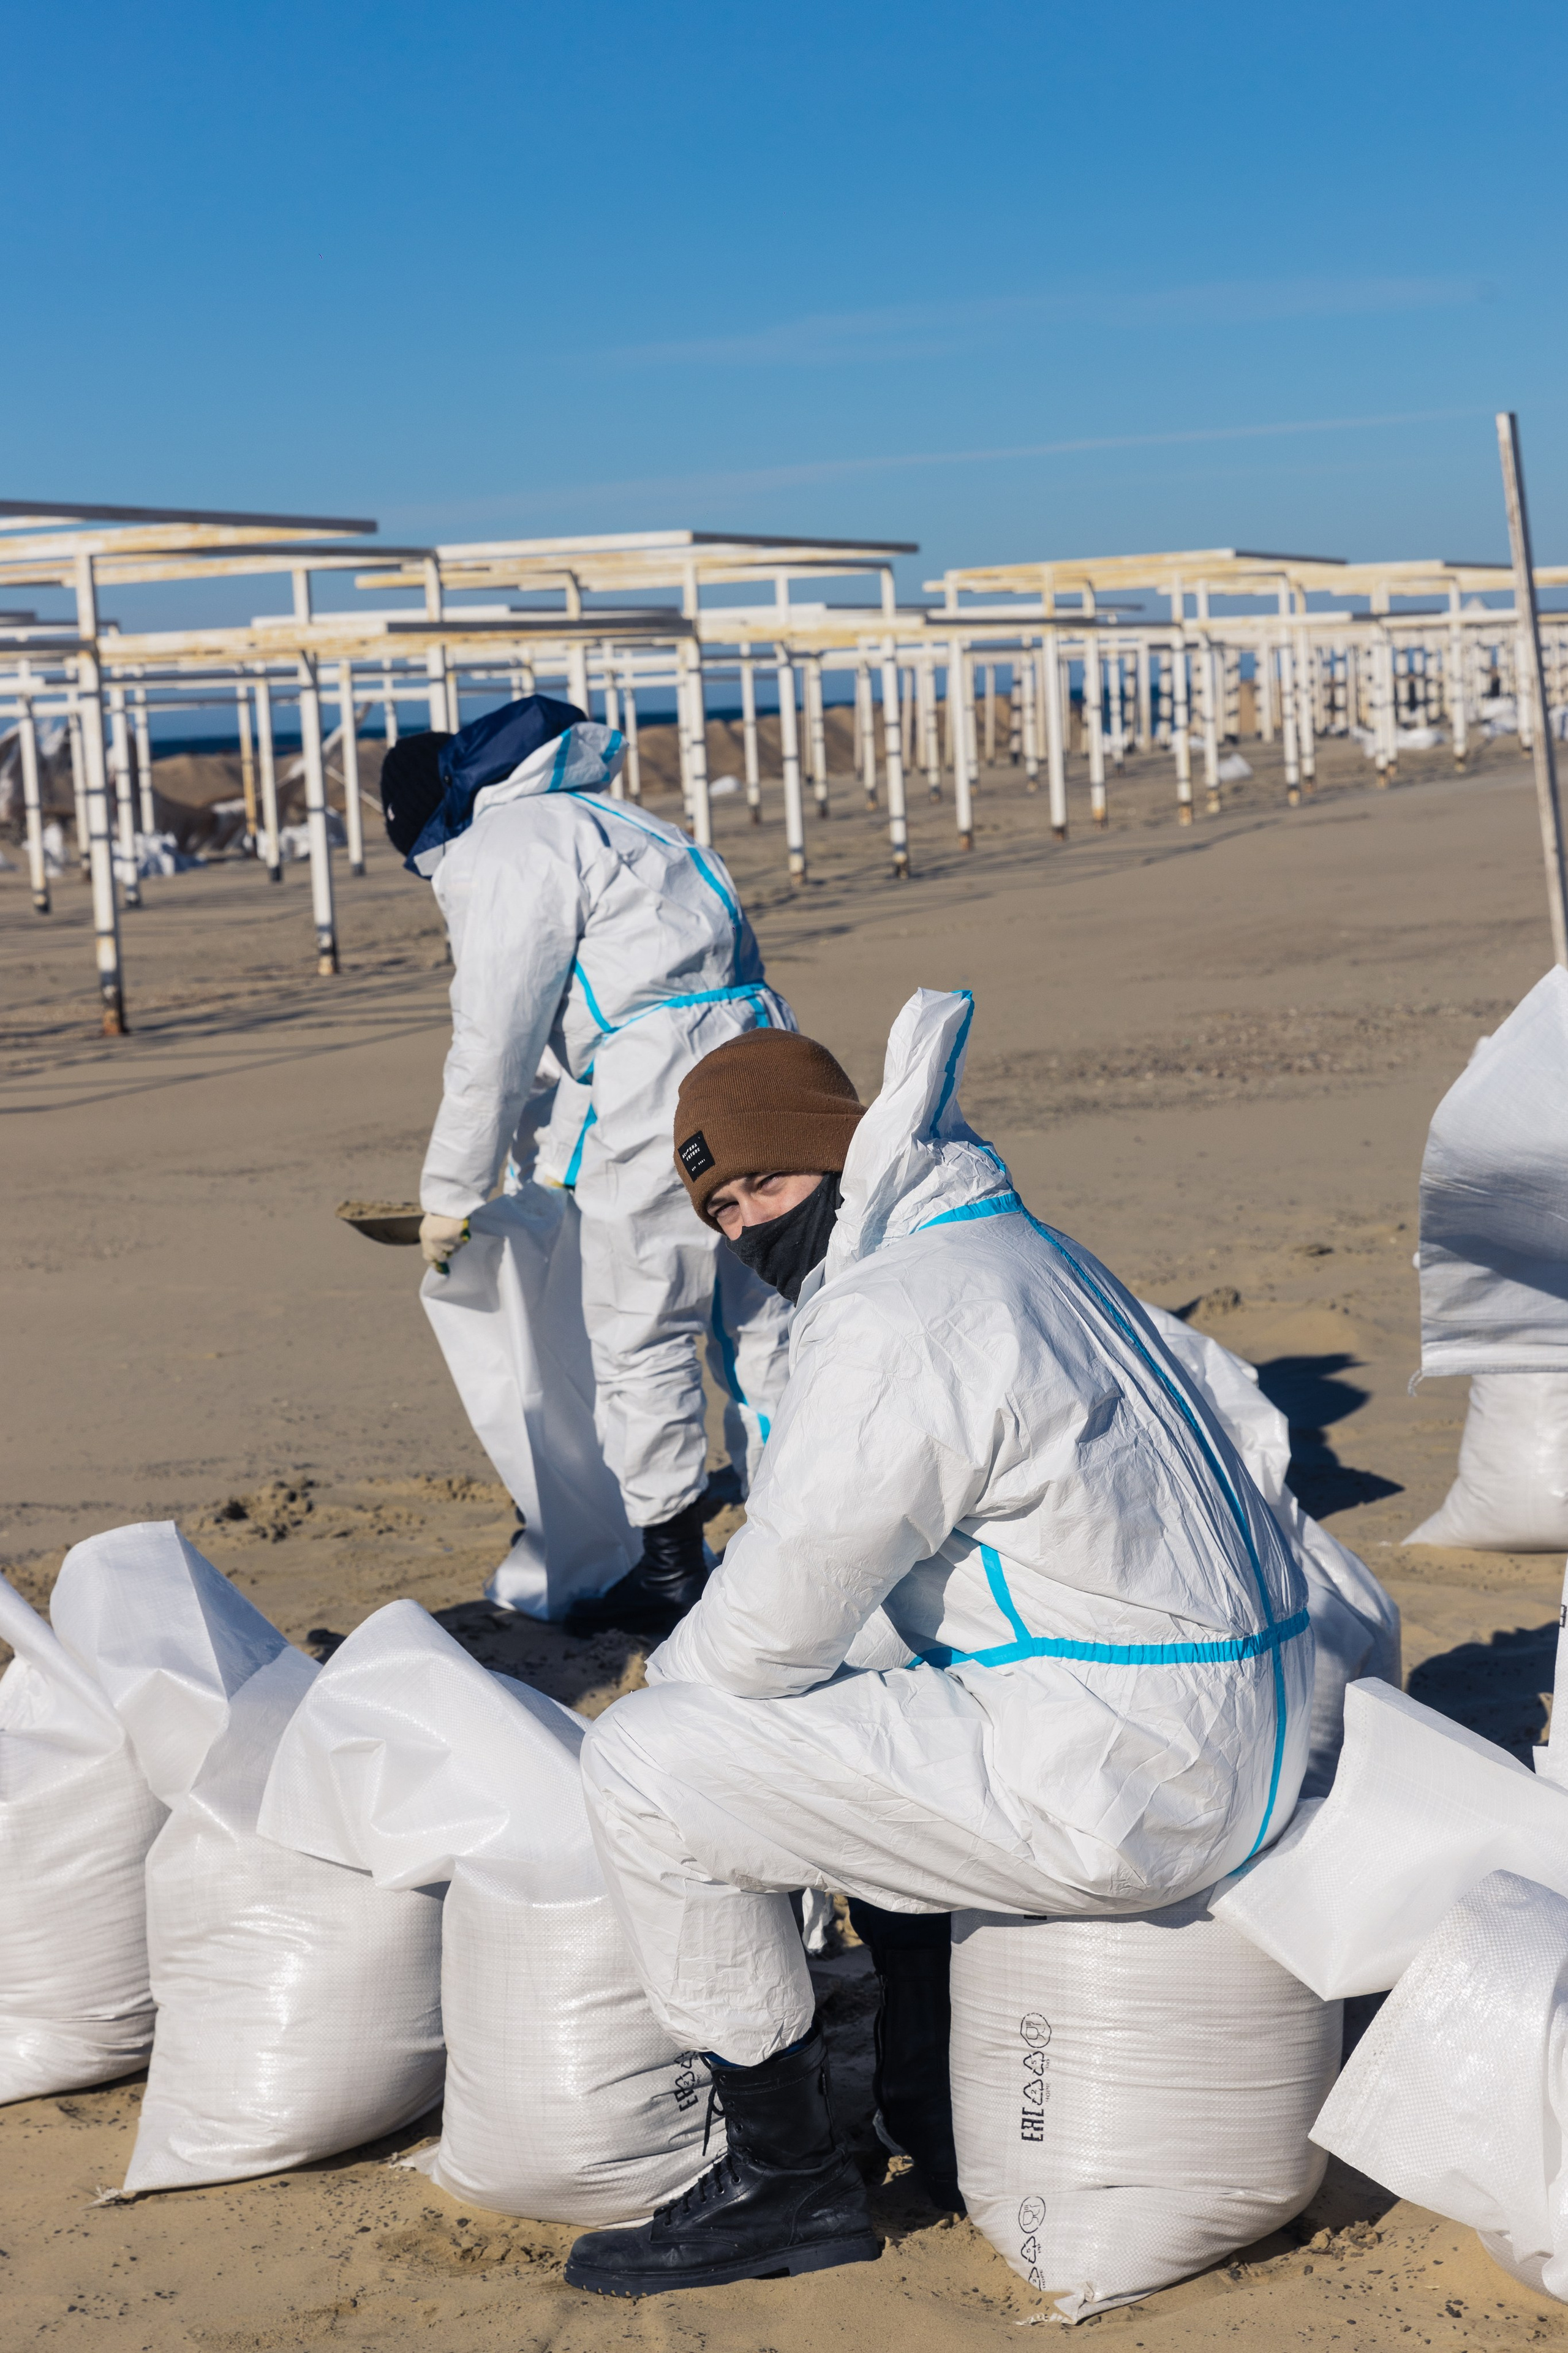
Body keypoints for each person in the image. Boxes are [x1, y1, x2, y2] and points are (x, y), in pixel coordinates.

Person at [564, 989, 1312, 2297]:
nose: (747, 1228)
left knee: (649, 1763)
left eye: (761, 1184)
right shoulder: (1010, 1250)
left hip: (1121, 1775)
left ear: (843, 1150)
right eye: (720, 1214)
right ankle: (927, 2086)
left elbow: (771, 1620)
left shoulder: (900, 1314)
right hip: (1220, 1727)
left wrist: (661, 1691)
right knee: (856, 1693)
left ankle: (786, 2181)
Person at [381, 693, 794, 1632]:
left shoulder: (505, 847)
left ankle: (670, 1568)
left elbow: (496, 1035)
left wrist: (450, 1193)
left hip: (662, 1085)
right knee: (762, 1315)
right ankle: (789, 1530)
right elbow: (611, 1009)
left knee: (640, 1325)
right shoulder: (617, 821)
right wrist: (550, 1161)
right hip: (760, 1052)